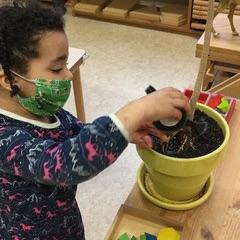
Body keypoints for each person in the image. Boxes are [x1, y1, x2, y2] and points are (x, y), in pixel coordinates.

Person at [0, 3, 191, 239]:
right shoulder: (5, 138)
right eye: (58, 67)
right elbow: (64, 165)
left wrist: (125, 133)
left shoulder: (45, 109)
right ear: (9, 80)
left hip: (65, 221)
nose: (69, 74)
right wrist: (134, 112)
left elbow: (76, 134)